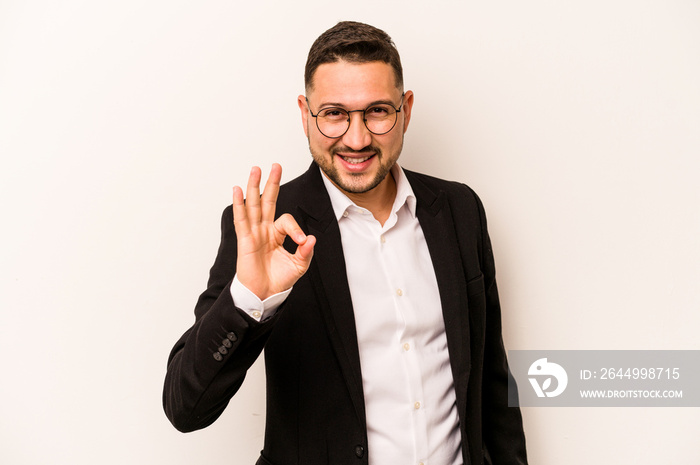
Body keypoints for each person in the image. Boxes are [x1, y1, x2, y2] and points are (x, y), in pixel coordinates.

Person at [163, 20, 527, 465]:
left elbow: (492, 380)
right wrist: (250, 299)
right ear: (305, 113)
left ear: (405, 109)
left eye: (377, 111)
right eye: (334, 113)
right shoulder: (269, 228)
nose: (356, 139)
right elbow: (185, 407)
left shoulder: (459, 210)